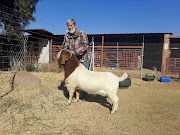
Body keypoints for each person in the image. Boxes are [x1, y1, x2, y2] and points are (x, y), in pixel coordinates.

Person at [61, 18, 89, 98]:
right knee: (72, 77)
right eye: (68, 26)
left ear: (75, 25)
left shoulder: (81, 33)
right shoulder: (66, 36)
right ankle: (72, 93)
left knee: (84, 78)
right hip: (72, 60)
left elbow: (85, 45)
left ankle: (84, 95)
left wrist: (75, 52)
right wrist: (65, 52)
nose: (69, 27)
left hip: (82, 59)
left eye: (71, 25)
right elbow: (64, 46)